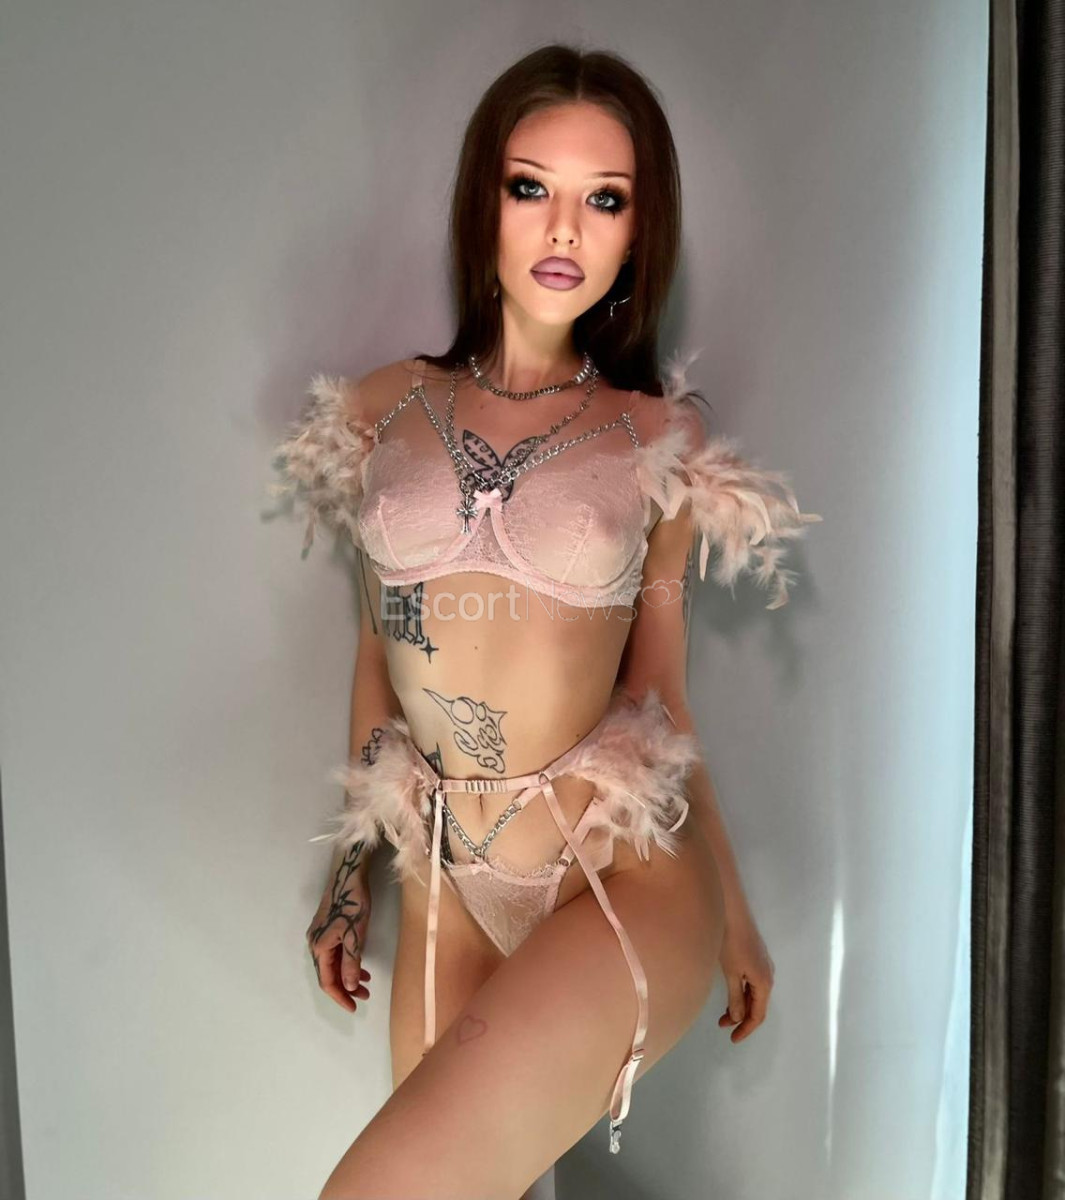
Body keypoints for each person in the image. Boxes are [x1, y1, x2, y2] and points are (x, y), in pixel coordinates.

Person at [270, 42, 821, 1200]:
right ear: (485, 202)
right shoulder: (383, 407)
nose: (565, 228)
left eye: (604, 200)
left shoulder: (655, 436)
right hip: (447, 884)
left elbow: (659, 697)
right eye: (532, 187)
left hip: (615, 875)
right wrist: (350, 876)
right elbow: (378, 653)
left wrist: (733, 913)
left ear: (636, 234)